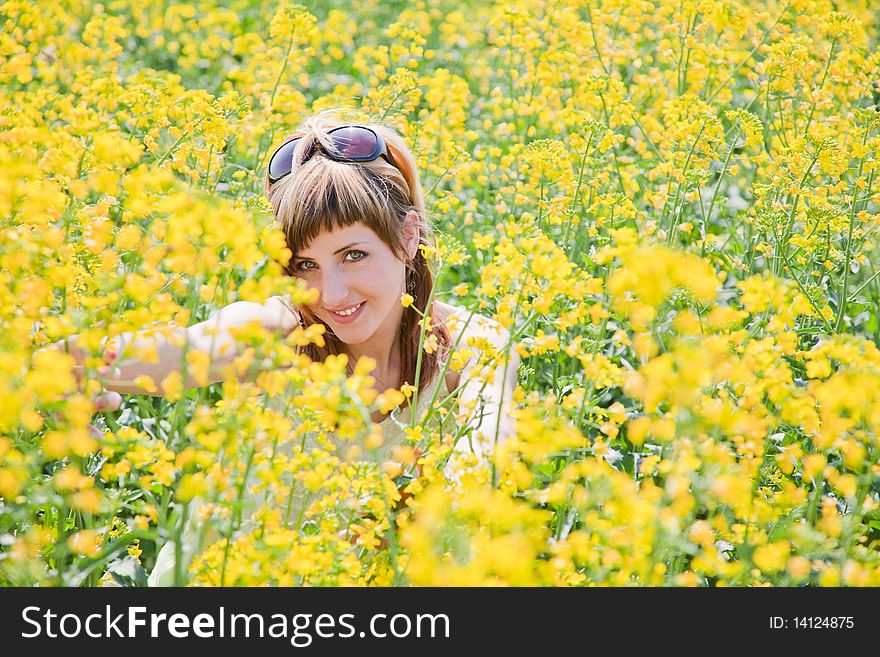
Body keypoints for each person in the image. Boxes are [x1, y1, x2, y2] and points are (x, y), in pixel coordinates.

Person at [61, 109, 520, 585]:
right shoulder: (275, 334)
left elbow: (489, 457)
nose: (332, 293)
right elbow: (183, 350)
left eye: (353, 255)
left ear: (406, 238)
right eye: (305, 265)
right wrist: (69, 369)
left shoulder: (470, 347)